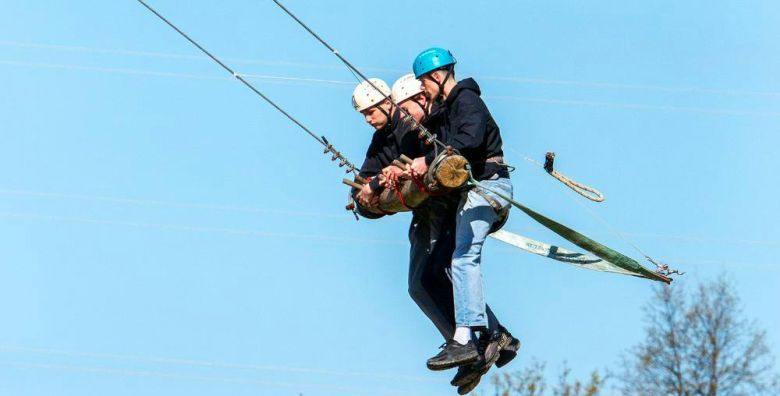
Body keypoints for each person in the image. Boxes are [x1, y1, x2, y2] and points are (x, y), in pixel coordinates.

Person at [392, 72, 519, 394]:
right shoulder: (446, 110)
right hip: (471, 192)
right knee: (434, 274)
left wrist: (428, 159)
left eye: (424, 87)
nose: (425, 94)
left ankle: (468, 337)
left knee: (462, 259)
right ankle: (480, 340)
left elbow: (469, 141)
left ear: (435, 77)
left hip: (487, 186)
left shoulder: (465, 101)